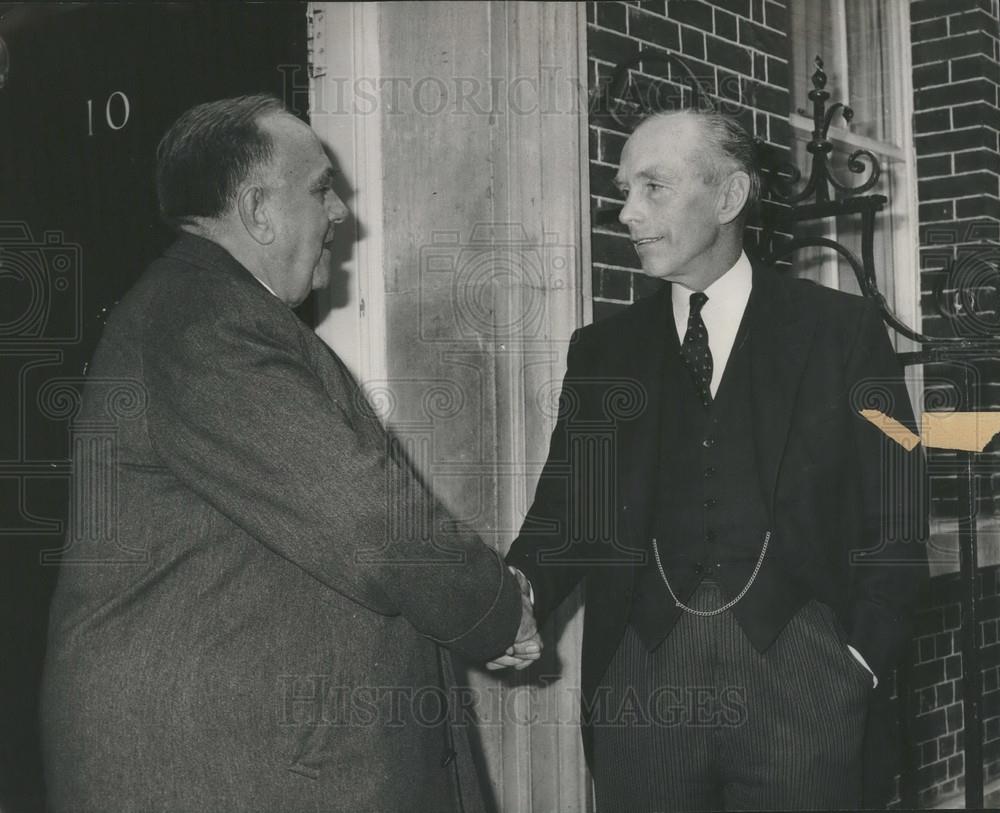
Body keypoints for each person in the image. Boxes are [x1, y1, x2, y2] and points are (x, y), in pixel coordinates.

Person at [41, 94, 539, 813]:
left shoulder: (206, 310)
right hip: (228, 773)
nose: (341, 213)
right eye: (320, 189)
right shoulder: (205, 320)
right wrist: (495, 608)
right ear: (259, 211)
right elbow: (364, 519)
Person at [502, 109, 927, 810]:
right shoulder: (604, 353)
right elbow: (569, 511)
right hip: (642, 684)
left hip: (806, 681)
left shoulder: (842, 332)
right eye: (624, 190)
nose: (628, 212)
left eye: (653, 188)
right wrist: (517, 596)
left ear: (730, 197)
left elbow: (900, 505)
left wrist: (861, 663)